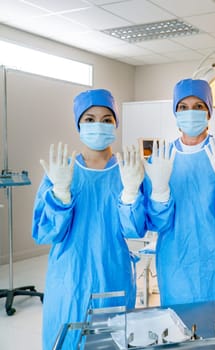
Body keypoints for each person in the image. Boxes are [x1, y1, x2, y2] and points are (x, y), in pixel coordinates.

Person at [32, 89, 147, 350]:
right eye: (90, 118)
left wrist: (130, 193)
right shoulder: (61, 170)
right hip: (69, 276)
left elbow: (135, 229)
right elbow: (46, 233)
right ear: (78, 124)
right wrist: (60, 194)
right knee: (67, 339)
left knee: (109, 342)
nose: (99, 125)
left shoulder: (127, 170)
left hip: (113, 271)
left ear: (116, 124)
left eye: (107, 119)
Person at [144, 78, 215, 306]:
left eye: (198, 106)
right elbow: (156, 222)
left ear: (209, 112)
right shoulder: (162, 158)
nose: (190, 112)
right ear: (175, 113)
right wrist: (160, 193)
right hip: (177, 263)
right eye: (183, 107)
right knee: (182, 332)